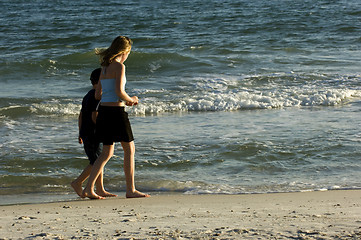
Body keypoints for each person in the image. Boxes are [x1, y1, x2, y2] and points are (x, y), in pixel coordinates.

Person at [82, 36, 150, 199]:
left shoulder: (104, 67)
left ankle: (89, 188)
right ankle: (130, 190)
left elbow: (98, 94)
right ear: (125, 51)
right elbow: (119, 91)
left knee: (106, 152)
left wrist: (119, 98)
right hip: (116, 114)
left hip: (104, 112)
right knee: (129, 149)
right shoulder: (119, 66)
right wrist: (131, 99)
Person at [71, 68, 117, 198]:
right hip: (93, 132)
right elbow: (94, 115)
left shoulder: (88, 95)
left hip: (86, 132)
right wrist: (103, 130)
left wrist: (80, 132)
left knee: (97, 159)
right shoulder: (97, 95)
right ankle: (78, 182)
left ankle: (100, 188)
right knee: (96, 161)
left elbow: (81, 115)